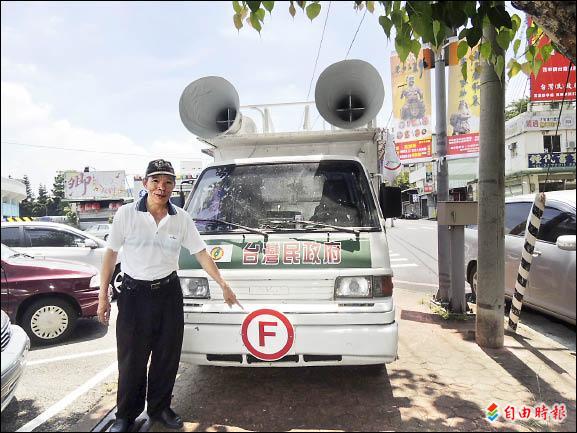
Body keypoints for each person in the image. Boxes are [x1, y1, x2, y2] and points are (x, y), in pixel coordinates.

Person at [97, 159, 240, 432]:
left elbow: (200, 252)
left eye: (168, 182)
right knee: (131, 359)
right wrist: (103, 296)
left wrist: (223, 283)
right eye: (156, 181)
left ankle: (160, 407)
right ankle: (125, 415)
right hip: (133, 295)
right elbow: (111, 254)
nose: (161, 187)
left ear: (173, 186)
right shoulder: (126, 214)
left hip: (167, 294)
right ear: (145, 183)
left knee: (166, 356)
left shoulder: (181, 218)